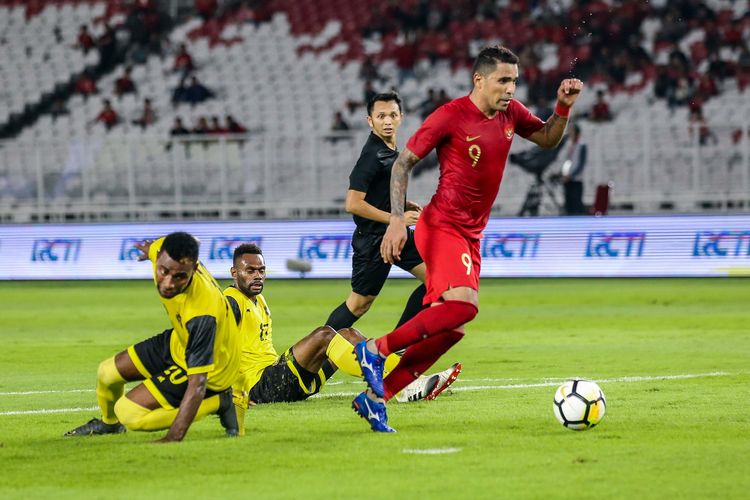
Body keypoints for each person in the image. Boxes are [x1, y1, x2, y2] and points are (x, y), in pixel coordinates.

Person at [352, 45, 583, 432]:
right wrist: (396, 221)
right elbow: (403, 164)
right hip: (442, 225)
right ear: (479, 79)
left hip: (471, 233)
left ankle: (377, 398)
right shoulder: (451, 115)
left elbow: (545, 138)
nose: (511, 88)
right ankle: (375, 349)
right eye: (503, 80)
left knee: (452, 327)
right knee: (465, 307)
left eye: (515, 80)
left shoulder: (510, 113)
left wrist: (562, 107)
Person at [228, 244, 460, 435]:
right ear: (234, 273)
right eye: (250, 271)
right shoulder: (230, 301)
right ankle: (405, 387)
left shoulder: (258, 299)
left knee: (347, 334)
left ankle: (405, 378)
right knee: (324, 336)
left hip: (279, 376)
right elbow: (213, 347)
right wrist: (229, 394)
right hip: (260, 387)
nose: (258, 276)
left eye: (261, 270)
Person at [325, 91, 461, 400]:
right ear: (369, 120)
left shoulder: (392, 149)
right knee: (358, 305)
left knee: (439, 282)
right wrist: (394, 218)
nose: (387, 121)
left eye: (392, 115)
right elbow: (353, 203)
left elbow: (381, 192)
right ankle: (319, 348)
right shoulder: (371, 155)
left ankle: (395, 349)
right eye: (381, 116)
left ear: (400, 117)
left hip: (394, 233)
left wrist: (403, 205)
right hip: (374, 241)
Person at [65, 232, 242, 441]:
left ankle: (221, 401)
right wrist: (149, 250)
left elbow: (198, 383)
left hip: (215, 369)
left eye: (179, 276)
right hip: (181, 340)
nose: (168, 283)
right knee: (106, 373)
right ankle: (110, 425)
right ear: (158, 258)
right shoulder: (160, 251)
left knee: (129, 414)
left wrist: (173, 437)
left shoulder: (202, 314)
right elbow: (156, 246)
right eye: (163, 271)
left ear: (194, 270)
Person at [560, 123, 587, 215]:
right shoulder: (569, 145)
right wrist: (563, 173)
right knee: (569, 205)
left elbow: (581, 164)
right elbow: (567, 161)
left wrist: (571, 176)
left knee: (576, 205)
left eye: (572, 131)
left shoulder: (581, 145)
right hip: (567, 180)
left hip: (576, 180)